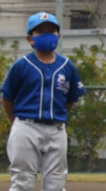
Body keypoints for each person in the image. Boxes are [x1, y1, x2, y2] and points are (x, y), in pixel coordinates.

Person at [1, 12, 84, 191]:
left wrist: (58, 116)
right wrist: (15, 122)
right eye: (40, 31)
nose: (47, 34)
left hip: (56, 128)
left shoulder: (66, 66)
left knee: (56, 184)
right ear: (30, 39)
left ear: (58, 36)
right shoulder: (21, 65)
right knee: (22, 182)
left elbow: (70, 100)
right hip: (26, 126)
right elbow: (7, 98)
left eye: (51, 30)